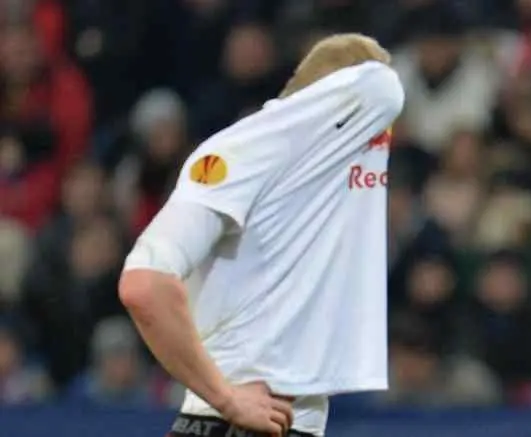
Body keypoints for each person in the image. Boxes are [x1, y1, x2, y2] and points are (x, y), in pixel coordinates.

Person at [118, 33, 404, 437]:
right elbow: (145, 284)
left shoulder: (311, 186)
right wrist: (226, 397)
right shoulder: (244, 149)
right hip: (232, 422)